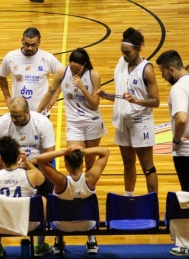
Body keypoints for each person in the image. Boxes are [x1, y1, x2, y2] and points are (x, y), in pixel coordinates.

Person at [97, 27, 159, 195]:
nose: (125, 55)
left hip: (141, 123)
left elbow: (156, 101)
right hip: (123, 122)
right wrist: (107, 96)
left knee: (148, 168)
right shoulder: (121, 64)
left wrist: (137, 100)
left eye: (128, 52)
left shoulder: (147, 69)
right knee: (128, 164)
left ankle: (152, 201)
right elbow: (122, 98)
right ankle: (128, 197)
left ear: (138, 48)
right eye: (122, 52)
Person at [37, 48, 107, 171]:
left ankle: (89, 189)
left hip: (92, 122)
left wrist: (82, 88)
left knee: (90, 160)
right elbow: (50, 91)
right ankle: (76, 188)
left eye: (77, 70)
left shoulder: (94, 75)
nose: (74, 72)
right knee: (73, 158)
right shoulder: (62, 72)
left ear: (84, 65)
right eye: (72, 68)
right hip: (74, 123)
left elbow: (94, 104)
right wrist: (36, 113)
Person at [36, 145, 109, 255]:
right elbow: (105, 151)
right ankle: (91, 241)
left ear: (66, 164)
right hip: (87, 224)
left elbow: (40, 159)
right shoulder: (91, 178)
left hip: (61, 225)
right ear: (82, 163)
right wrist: (84, 151)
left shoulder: (60, 181)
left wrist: (64, 151)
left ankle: (58, 241)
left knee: (50, 203)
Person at [0, 136, 48, 258]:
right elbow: (42, 178)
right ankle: (40, 246)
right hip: (29, 224)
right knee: (44, 201)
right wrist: (27, 161)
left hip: (2, 224)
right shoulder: (31, 175)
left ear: (1, 158)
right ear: (18, 156)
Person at [156, 50, 189, 256]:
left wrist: (176, 140)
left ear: (171, 69)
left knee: (187, 196)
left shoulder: (178, 89)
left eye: (163, 73)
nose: (162, 77)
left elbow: (181, 119)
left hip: (186, 152)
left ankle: (186, 244)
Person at [0, 97, 55, 197]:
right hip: (9, 163)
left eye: (17, 117)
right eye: (12, 116)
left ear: (27, 112)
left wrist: (28, 162)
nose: (13, 119)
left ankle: (46, 202)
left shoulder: (42, 122)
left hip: (35, 162)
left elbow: (50, 153)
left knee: (46, 179)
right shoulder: (2, 122)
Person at [0, 27, 62, 117]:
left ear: (39, 42)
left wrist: (55, 97)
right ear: (22, 41)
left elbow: (64, 75)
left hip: (41, 113)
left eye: (33, 45)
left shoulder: (47, 58)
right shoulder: (11, 57)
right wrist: (7, 97)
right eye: (27, 44)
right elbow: (1, 75)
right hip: (18, 112)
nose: (30, 48)